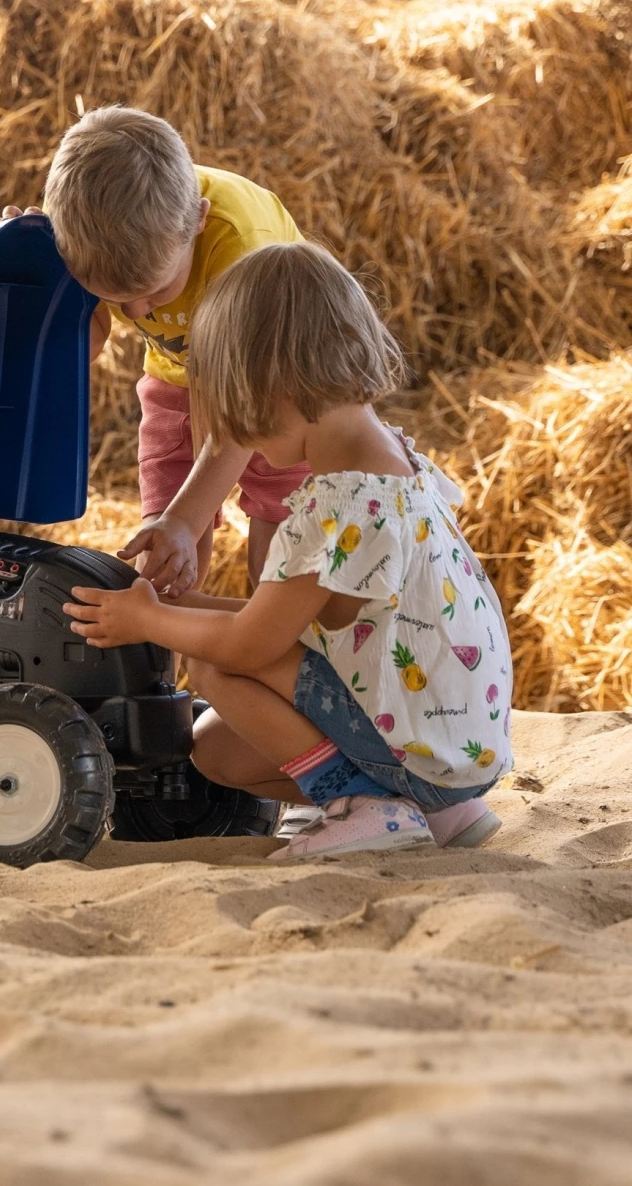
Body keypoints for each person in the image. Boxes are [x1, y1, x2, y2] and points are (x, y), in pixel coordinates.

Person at [61, 242, 512, 859]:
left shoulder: (338, 507)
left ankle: (365, 804)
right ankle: (444, 815)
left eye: (237, 416)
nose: (236, 439)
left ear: (278, 393)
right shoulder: (396, 467)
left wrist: (150, 622)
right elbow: (313, 624)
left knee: (216, 667)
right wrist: (188, 602)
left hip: (418, 752)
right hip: (457, 746)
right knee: (218, 750)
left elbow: (250, 646)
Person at [38, 106, 309, 592]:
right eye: (117, 298)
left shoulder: (244, 250)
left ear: (199, 222)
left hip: (276, 381)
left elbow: (241, 419)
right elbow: (85, 340)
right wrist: (32, 273)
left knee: (278, 547)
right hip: (177, 376)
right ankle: (168, 662)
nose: (138, 314)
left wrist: (187, 519)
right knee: (163, 553)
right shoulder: (92, 235)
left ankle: (267, 650)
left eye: (155, 291)